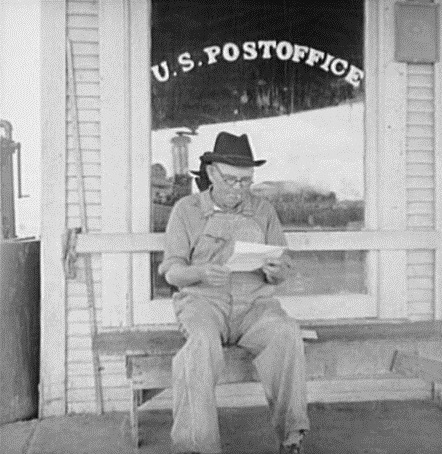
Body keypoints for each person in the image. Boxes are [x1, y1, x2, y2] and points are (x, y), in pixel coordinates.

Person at [159, 131, 309, 454]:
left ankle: (291, 440)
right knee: (199, 347)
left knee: (285, 332)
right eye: (232, 180)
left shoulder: (263, 210)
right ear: (212, 173)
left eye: (246, 181)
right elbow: (172, 271)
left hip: (254, 305)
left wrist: (276, 271)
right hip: (203, 302)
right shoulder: (186, 210)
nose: (240, 189)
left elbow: (283, 263)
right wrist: (199, 272)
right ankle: (198, 447)